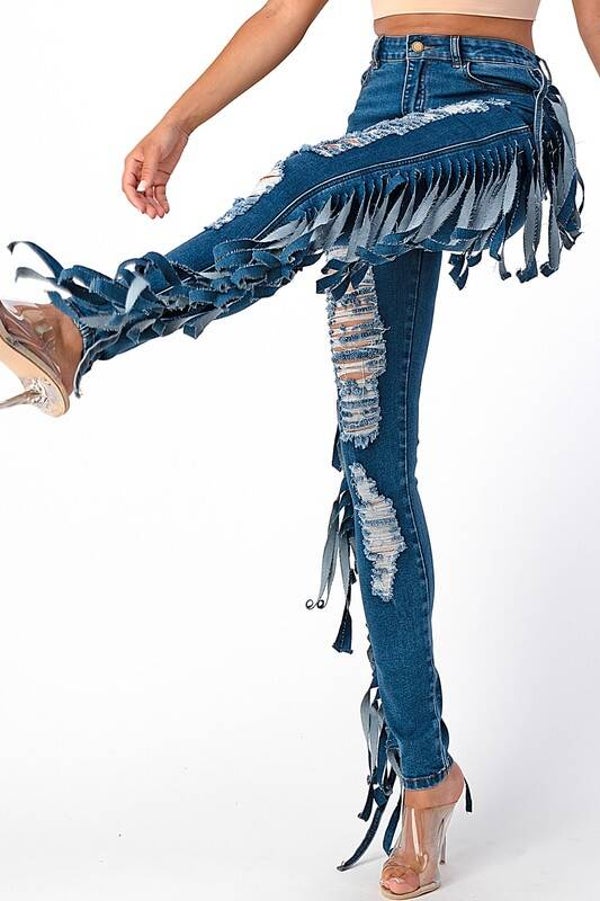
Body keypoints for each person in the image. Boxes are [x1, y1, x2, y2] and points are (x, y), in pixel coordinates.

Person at [0, 0, 594, 897]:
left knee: (311, 183)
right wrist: (177, 122)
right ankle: (426, 777)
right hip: (383, 109)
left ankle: (84, 324)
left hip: (492, 108)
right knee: (373, 475)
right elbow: (287, 11)